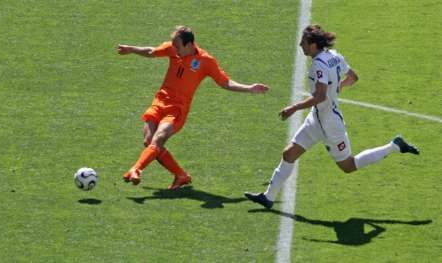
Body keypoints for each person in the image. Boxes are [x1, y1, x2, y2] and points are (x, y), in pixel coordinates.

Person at [244, 24, 419, 209]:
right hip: (317, 117)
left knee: (349, 166)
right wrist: (336, 88)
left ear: (312, 45)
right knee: (289, 154)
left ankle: (393, 147)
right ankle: (268, 198)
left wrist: (294, 108)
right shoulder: (335, 56)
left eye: (303, 42)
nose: (300, 45)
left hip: (329, 123)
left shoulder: (318, 65)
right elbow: (353, 77)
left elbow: (319, 96)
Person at [118, 25, 269, 189]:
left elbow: (225, 82)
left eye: (178, 46)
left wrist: (249, 88)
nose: (174, 49)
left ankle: (136, 169)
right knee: (149, 142)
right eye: (173, 45)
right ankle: (181, 175)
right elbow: (151, 51)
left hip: (177, 109)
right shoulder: (173, 48)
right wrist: (131, 49)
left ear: (190, 45)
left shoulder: (206, 61)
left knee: (159, 138)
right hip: (159, 102)